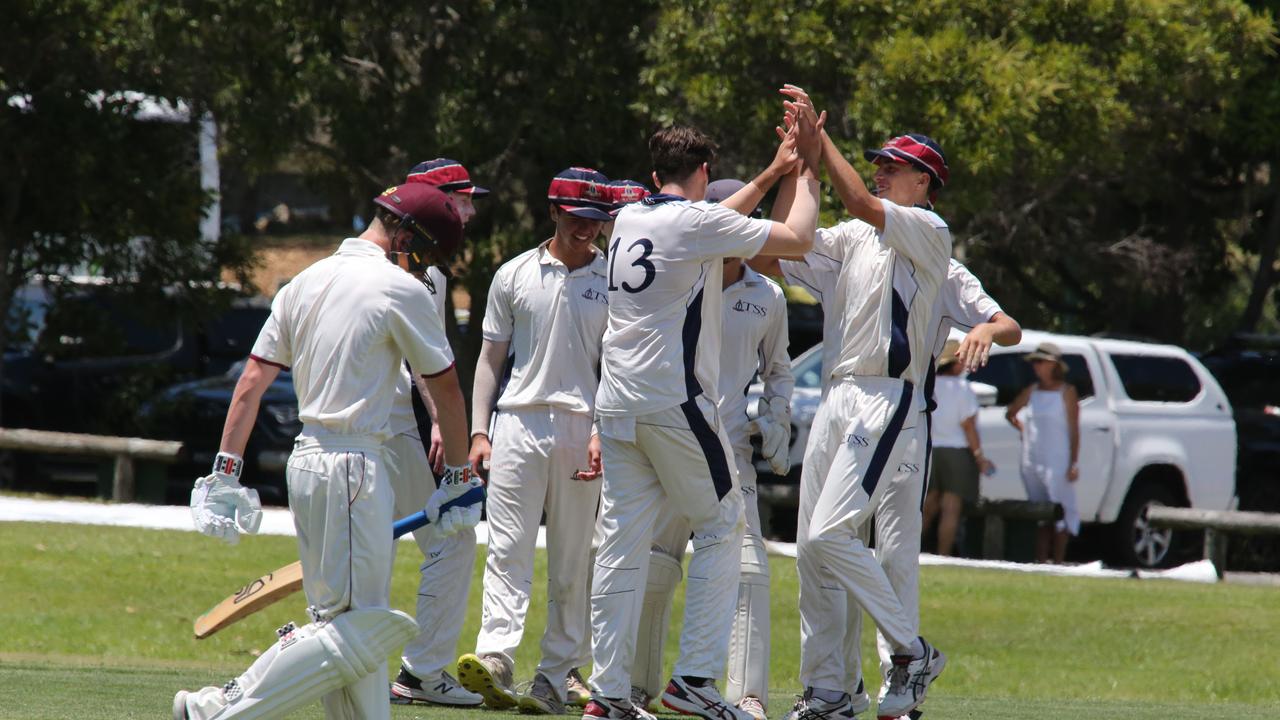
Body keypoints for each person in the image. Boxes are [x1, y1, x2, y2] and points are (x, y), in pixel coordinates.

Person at [175, 183, 485, 720]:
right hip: (354, 465)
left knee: (344, 617)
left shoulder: (305, 281)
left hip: (306, 461)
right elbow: (447, 389)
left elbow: (251, 380)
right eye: (427, 254)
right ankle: (218, 708)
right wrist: (458, 477)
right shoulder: (395, 288)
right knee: (358, 626)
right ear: (406, 235)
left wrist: (225, 473)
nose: (426, 270)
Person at [585, 114, 823, 720]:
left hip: (615, 404)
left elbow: (716, 218)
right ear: (705, 174)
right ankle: (693, 679)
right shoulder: (695, 224)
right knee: (724, 528)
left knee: (620, 545)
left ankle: (607, 694)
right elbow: (795, 238)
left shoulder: (631, 215)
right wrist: (806, 164)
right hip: (673, 402)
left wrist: (773, 171)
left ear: (654, 172)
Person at [769, 85, 950, 720]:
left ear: (924, 183)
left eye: (893, 165)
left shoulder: (927, 230)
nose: (880, 169)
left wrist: (826, 144)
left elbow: (861, 202)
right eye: (878, 162)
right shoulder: (852, 239)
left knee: (831, 533)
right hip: (838, 396)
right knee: (812, 549)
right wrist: (799, 164)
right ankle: (828, 691)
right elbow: (786, 243)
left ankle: (911, 649)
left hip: (886, 398)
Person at [629, 178, 794, 720]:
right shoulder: (678, 274)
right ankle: (636, 687)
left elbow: (779, 371)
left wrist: (776, 418)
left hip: (729, 449)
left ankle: (747, 692)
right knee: (655, 567)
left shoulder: (767, 296)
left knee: (747, 569)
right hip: (671, 435)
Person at [455, 167, 615, 715]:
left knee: (574, 555)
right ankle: (495, 657)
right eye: (575, 218)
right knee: (506, 547)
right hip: (517, 423)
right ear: (553, 212)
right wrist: (479, 431)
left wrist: (600, 430)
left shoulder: (614, 279)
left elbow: (617, 367)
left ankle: (556, 674)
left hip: (581, 426)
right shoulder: (514, 274)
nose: (585, 230)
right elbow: (491, 360)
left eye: (595, 220)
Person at [387, 158, 491, 707]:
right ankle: (422, 672)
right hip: (387, 429)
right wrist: (444, 430)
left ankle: (352, 668)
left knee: (360, 559)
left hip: (345, 433)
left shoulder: (369, 252)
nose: (470, 211)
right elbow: (429, 368)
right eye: (464, 199)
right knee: (453, 535)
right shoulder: (416, 267)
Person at [1006, 342, 1080, 564]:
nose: (1036, 367)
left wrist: (1074, 462)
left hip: (1057, 460)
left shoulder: (1067, 392)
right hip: (1032, 460)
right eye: (1034, 362)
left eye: (1040, 362)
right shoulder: (1032, 391)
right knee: (1040, 513)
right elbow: (1011, 413)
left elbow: (1074, 430)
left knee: (1060, 511)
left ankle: (1058, 562)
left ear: (1053, 364)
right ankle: (1040, 561)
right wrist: (1024, 431)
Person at [921, 340, 992, 556]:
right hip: (957, 452)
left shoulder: (928, 384)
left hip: (931, 450)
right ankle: (943, 555)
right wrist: (979, 457)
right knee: (951, 506)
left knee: (928, 504)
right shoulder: (962, 388)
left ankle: (912, 549)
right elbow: (968, 425)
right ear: (956, 363)